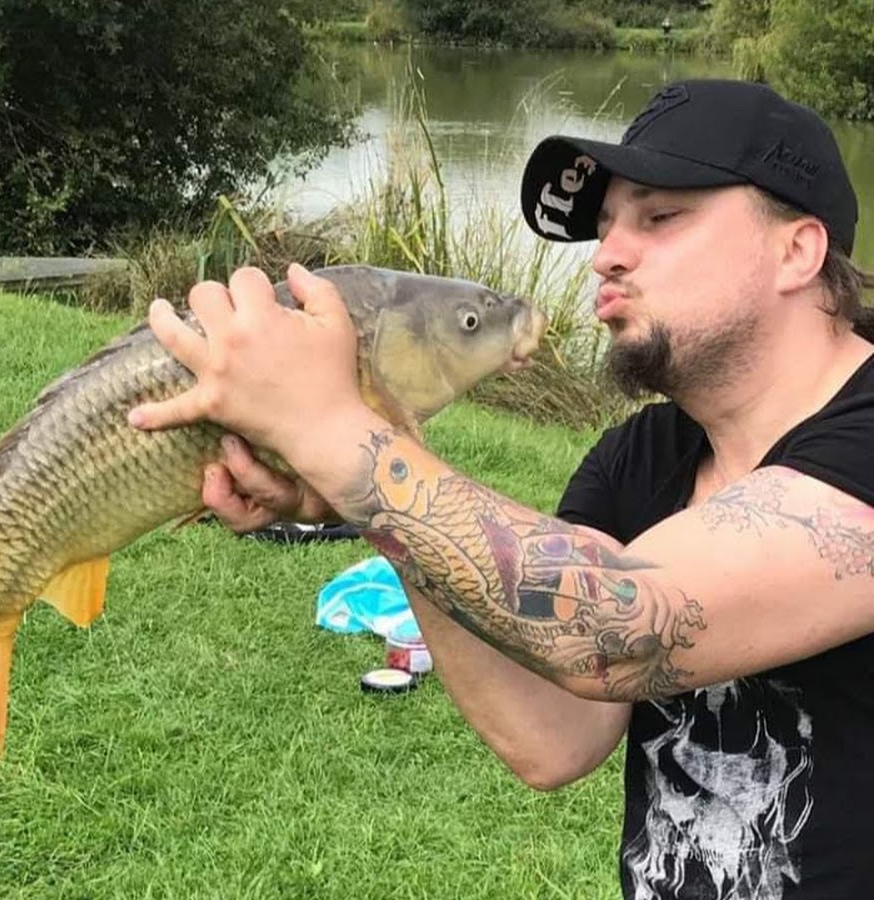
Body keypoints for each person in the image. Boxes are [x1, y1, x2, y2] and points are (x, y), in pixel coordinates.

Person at [129, 79, 874, 898]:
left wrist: (330, 431)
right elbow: (553, 737)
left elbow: (619, 631)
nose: (607, 256)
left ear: (797, 251)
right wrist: (375, 498)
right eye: (604, 228)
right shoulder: (640, 457)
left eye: (660, 217)